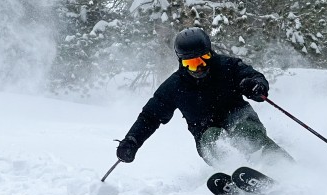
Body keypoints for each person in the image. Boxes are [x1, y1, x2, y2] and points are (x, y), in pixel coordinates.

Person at [116, 27, 292, 168]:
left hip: (241, 118)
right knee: (212, 138)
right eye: (191, 63)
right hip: (205, 133)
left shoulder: (228, 66)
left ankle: (284, 166)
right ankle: (231, 171)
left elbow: (254, 77)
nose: (199, 67)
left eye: (203, 59)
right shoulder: (175, 86)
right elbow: (150, 117)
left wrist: (255, 86)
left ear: (210, 53)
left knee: (245, 132)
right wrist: (132, 141)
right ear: (182, 62)